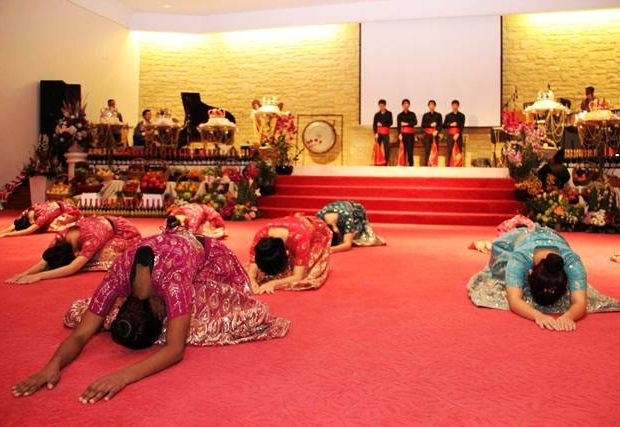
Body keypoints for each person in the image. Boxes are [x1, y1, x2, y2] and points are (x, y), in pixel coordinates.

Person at [12, 228, 289, 404]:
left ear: (160, 310)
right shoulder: (118, 275)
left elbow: (175, 349)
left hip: (212, 258)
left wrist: (122, 376)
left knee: (223, 316)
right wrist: (52, 365)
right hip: (173, 246)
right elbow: (81, 334)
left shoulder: (174, 280)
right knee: (84, 316)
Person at [467, 225, 620, 331]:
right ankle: (481, 245)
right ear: (531, 273)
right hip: (523, 237)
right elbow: (514, 300)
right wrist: (537, 315)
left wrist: (569, 316)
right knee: (499, 271)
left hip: (554, 236)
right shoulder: (519, 259)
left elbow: (580, 302)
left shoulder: (573, 263)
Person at [6, 216, 141, 284]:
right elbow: (45, 261)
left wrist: (39, 276)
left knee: (106, 253)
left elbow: (72, 268)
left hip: (124, 231)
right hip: (99, 225)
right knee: (88, 257)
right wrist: (25, 273)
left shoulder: (91, 239)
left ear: (76, 253)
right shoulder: (61, 235)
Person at [247, 214, 332, 294]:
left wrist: (274, 283)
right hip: (294, 224)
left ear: (286, 253)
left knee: (311, 272)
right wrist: (252, 280)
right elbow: (253, 266)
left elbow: (299, 276)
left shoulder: (300, 238)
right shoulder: (261, 235)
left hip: (318, 230)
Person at [315, 200, 386, 253]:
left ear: (336, 228)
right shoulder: (318, 218)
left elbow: (347, 245)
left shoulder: (346, 217)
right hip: (336, 213)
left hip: (355, 210)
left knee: (358, 238)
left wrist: (328, 250)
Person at [0, 200, 81, 237]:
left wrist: (7, 234)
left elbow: (28, 231)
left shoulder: (43, 217)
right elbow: (13, 226)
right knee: (17, 226)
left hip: (66, 210)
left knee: (56, 227)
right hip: (54, 205)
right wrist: (2, 232)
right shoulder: (25, 214)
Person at [443, 100, 465, 167]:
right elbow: (444, 126)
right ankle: (449, 165)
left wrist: (458, 133)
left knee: (458, 150)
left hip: (458, 135)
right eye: (453, 105)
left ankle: (458, 165)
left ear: (458, 106)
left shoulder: (462, 115)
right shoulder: (448, 115)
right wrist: (450, 124)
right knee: (450, 149)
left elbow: (462, 126)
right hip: (450, 135)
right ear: (451, 106)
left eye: (456, 105)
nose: (455, 106)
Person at [420, 100, 442, 166]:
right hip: (427, 135)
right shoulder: (425, 115)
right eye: (430, 105)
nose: (431, 106)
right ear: (428, 106)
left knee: (435, 150)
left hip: (435, 135)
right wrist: (430, 125)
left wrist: (437, 131)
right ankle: (426, 166)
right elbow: (423, 125)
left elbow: (440, 125)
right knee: (427, 151)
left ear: (435, 106)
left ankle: (434, 165)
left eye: (433, 104)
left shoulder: (438, 115)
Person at [397, 99, 417, 166]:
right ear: (402, 105)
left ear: (409, 105)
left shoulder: (412, 114)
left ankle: (411, 165)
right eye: (404, 104)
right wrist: (399, 134)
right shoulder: (399, 115)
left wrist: (406, 124)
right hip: (403, 135)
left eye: (407, 103)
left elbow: (415, 122)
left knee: (410, 151)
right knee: (403, 151)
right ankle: (403, 165)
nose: (406, 105)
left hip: (410, 135)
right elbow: (398, 126)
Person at [373, 99, 392, 166]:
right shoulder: (377, 114)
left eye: (382, 105)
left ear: (385, 105)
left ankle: (386, 162)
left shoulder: (389, 113)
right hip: (378, 133)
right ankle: (377, 162)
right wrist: (375, 133)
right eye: (380, 105)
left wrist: (382, 124)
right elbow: (374, 125)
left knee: (386, 148)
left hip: (385, 133)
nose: (381, 107)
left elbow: (390, 123)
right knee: (377, 147)